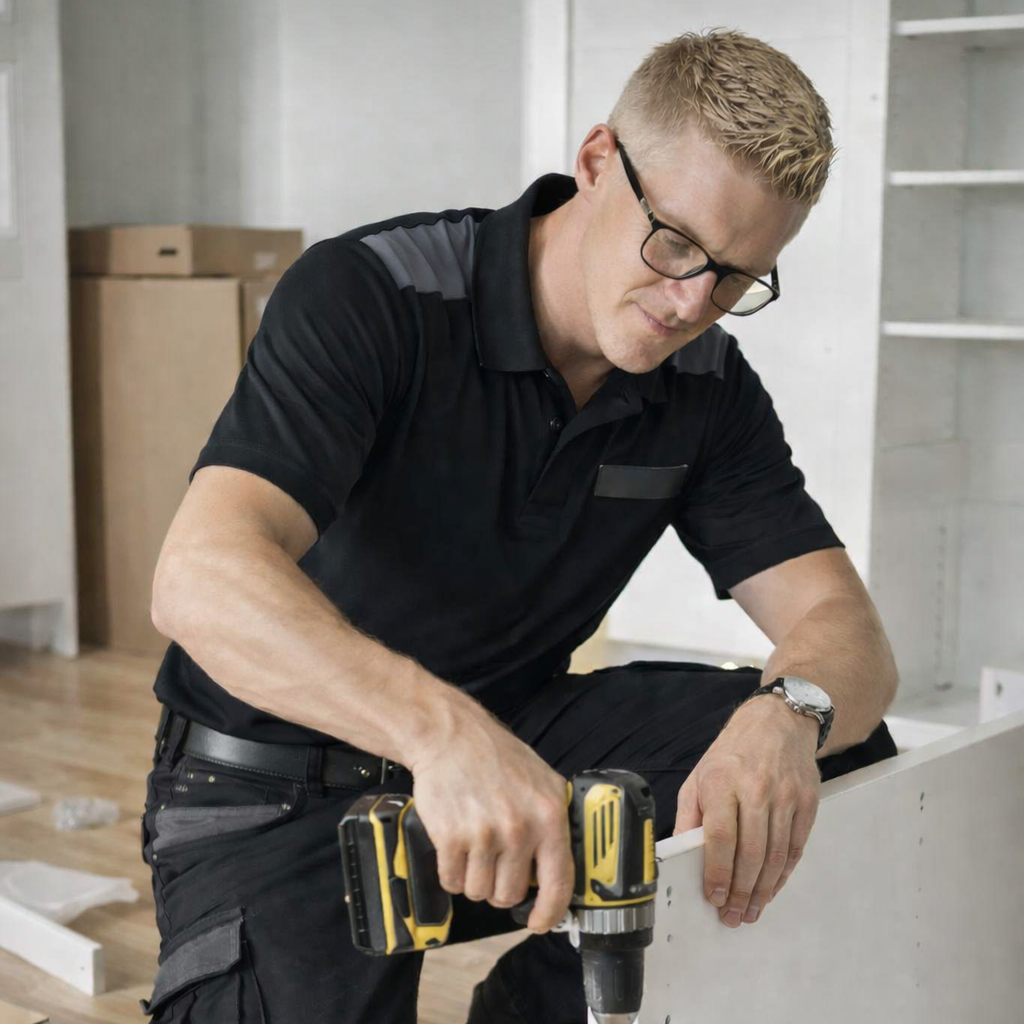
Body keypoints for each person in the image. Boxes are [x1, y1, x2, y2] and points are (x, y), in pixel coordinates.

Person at [139, 28, 898, 1024]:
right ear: (596, 161)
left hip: (516, 758)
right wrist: (442, 735)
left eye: (734, 278)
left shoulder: (705, 386)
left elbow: (846, 630)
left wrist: (787, 714)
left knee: (830, 751)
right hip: (273, 780)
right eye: (675, 244)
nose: (690, 303)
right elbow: (199, 575)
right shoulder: (375, 294)